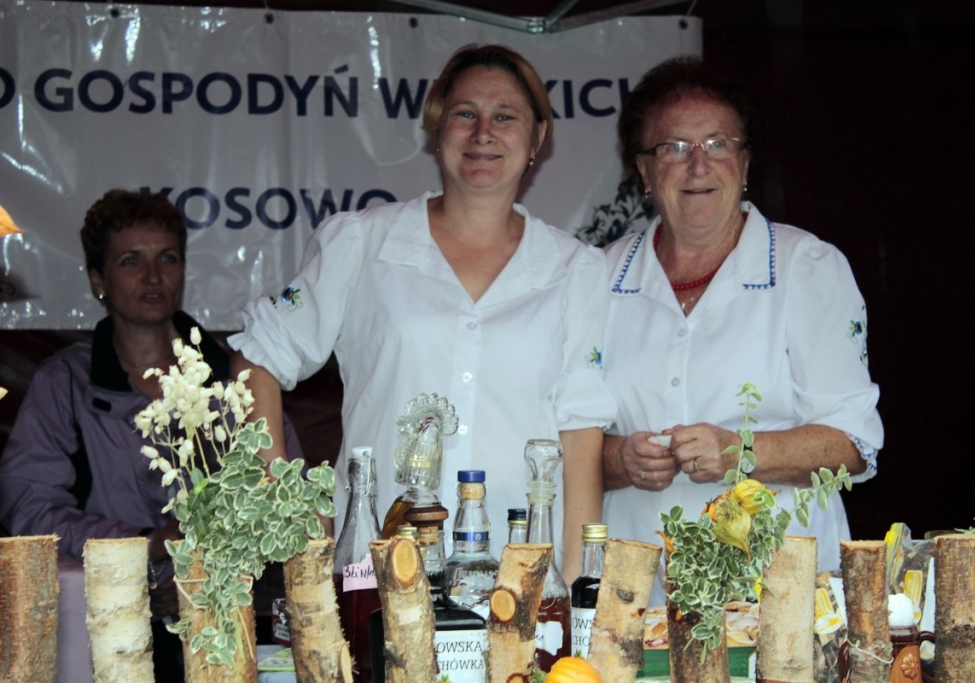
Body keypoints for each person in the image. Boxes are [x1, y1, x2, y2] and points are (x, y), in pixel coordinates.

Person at [229, 44, 616, 577]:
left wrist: (575, 588)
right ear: (437, 129)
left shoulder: (575, 269)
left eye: (505, 116)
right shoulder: (361, 243)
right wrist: (286, 502)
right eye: (465, 114)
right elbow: (257, 358)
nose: (483, 133)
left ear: (537, 138)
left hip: (520, 578)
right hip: (377, 571)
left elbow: (581, 439)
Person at [601, 57, 883, 603]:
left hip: (783, 588)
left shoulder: (807, 267)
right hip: (636, 593)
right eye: (674, 147)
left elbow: (854, 444)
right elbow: (558, 441)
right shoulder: (599, 276)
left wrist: (741, 451)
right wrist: (618, 460)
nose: (698, 165)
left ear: (746, 161)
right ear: (644, 171)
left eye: (718, 144)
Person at [0, 190, 302, 681]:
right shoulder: (66, 383)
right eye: (130, 261)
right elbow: (29, 511)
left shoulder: (235, 376)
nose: (153, 276)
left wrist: (205, 577)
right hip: (101, 629)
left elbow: (284, 502)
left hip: (229, 621)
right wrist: (147, 548)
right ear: (98, 280)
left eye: (167, 258)